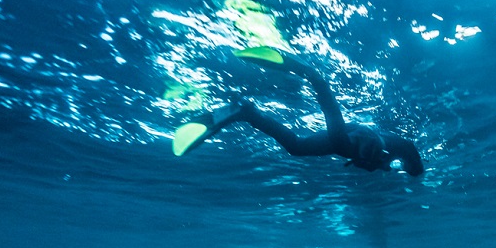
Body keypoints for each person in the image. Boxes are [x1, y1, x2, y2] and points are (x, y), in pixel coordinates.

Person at [172, 46, 425, 176]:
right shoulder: (348, 143)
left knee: (296, 147)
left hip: (365, 140)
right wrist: (311, 75)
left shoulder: (399, 150)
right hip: (353, 135)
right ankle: (307, 75)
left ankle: (246, 112)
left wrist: (403, 172)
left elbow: (413, 168)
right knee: (311, 142)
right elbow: (330, 108)